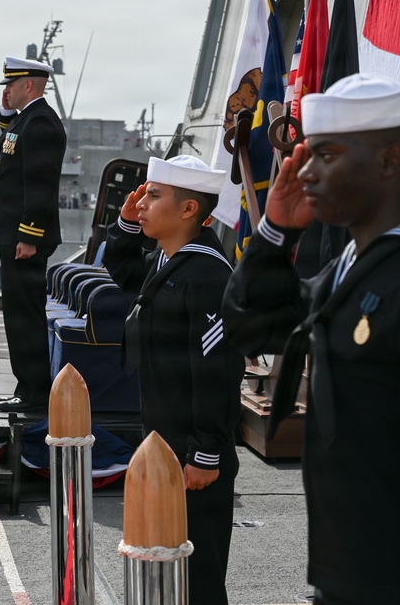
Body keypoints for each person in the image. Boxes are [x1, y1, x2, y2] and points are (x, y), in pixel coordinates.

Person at [223, 73, 400, 604]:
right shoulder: (346, 273)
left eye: (325, 155)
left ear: (390, 160)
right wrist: (276, 231)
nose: (303, 171)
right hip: (348, 570)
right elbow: (252, 325)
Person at [102, 155, 243, 605]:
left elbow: (218, 370)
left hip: (192, 453)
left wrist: (206, 452)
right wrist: (123, 226)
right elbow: (123, 273)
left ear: (188, 210)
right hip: (165, 442)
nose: (141, 203)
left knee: (195, 579)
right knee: (164, 568)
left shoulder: (206, 274)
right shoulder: (171, 262)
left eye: (154, 195)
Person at [0, 57, 66, 412]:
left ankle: (34, 393)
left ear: (29, 86)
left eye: (11, 85)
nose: (6, 91)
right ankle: (28, 387)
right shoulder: (28, 120)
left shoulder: (40, 125)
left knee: (25, 316)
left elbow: (40, 185)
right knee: (18, 314)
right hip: (14, 232)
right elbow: (10, 152)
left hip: (24, 236)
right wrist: (6, 117)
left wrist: (29, 235)